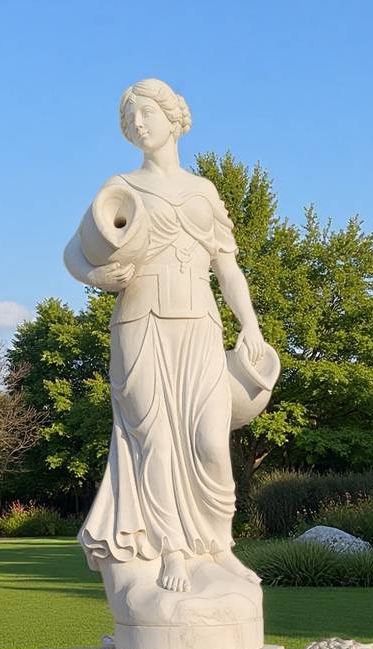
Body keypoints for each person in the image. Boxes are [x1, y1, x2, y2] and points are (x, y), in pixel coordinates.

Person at [65, 78, 268, 594]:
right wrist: (96, 277)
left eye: (145, 113)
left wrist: (251, 324)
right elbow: (73, 254)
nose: (137, 124)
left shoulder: (203, 191)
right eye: (129, 118)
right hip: (142, 324)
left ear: (172, 117)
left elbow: (228, 268)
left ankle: (218, 547)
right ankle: (172, 547)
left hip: (200, 325)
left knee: (209, 441)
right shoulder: (121, 187)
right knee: (153, 440)